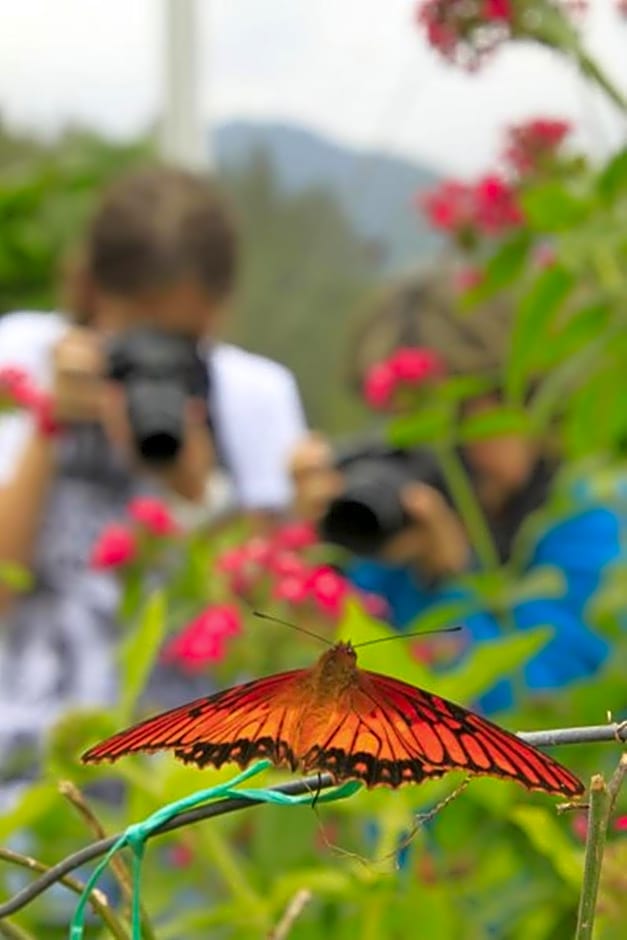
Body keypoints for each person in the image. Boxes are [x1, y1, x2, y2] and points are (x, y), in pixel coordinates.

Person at [0, 166, 306, 790]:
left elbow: (267, 628)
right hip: (25, 771)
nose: (157, 361)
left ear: (217, 311)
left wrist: (197, 490)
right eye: (137, 337)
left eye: (181, 342)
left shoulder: (254, 396)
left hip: (185, 782)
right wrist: (47, 426)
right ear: (93, 290)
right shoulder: (23, 358)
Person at [290, 266, 625, 713]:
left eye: (458, 413)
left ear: (520, 393)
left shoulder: (593, 517)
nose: (436, 451)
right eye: (406, 425)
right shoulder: (398, 534)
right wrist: (315, 556)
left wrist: (447, 582)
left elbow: (540, 712)